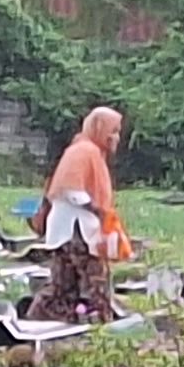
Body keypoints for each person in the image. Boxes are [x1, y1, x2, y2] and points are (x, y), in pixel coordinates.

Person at [33, 104, 128, 323]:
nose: (115, 137)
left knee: (64, 285)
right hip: (77, 232)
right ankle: (101, 327)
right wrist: (97, 209)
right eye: (112, 131)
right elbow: (70, 189)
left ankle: (45, 321)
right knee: (95, 283)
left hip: (70, 230)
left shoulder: (88, 151)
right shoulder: (84, 152)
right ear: (99, 128)